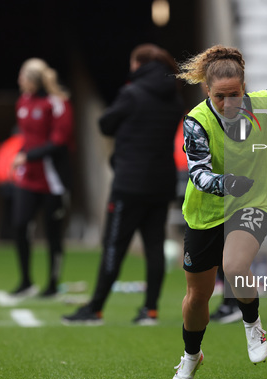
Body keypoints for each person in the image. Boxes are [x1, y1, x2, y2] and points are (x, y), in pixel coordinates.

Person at [171, 45, 267, 379]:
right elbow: (198, 173)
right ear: (207, 91)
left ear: (245, 88)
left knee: (235, 266)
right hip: (206, 211)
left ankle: (253, 326)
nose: (229, 104)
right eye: (221, 96)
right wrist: (228, 182)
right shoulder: (197, 122)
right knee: (197, 297)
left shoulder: (263, 103)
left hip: (253, 202)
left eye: (235, 95)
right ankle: (191, 355)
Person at [62, 44, 184, 326]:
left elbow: (105, 124)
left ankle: (95, 309)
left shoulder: (132, 93)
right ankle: (150, 310)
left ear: (138, 64)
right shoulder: (174, 97)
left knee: (114, 246)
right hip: (161, 182)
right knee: (154, 246)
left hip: (129, 183)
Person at [10, 58, 74, 297]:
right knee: (20, 225)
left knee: (53, 233)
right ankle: (26, 281)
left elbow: (59, 142)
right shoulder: (22, 102)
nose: (19, 81)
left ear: (34, 79)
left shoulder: (57, 103)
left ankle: (52, 284)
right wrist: (20, 156)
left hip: (53, 179)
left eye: (22, 76)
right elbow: (27, 139)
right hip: (28, 178)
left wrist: (28, 156)